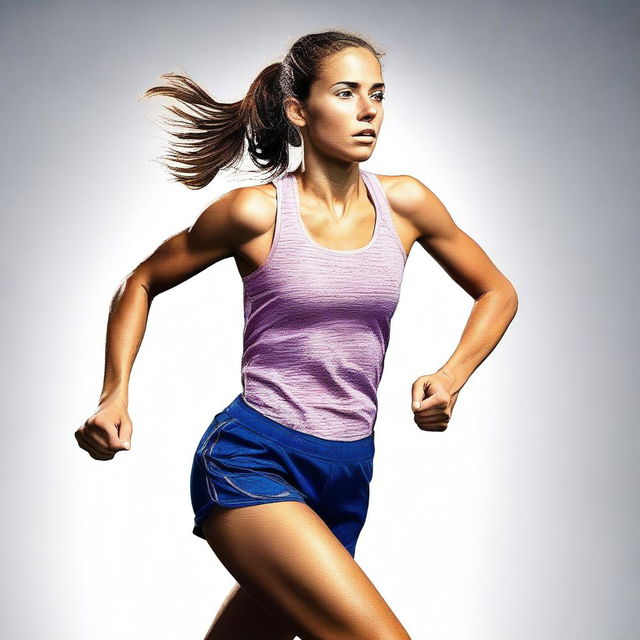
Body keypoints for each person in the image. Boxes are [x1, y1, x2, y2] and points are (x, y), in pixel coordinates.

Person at [75, 29, 518, 640]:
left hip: (347, 472)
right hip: (254, 459)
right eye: (346, 93)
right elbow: (141, 282)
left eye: (378, 94)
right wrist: (113, 393)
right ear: (297, 111)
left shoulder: (406, 204)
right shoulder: (256, 213)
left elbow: (498, 291)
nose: (368, 111)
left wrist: (451, 376)